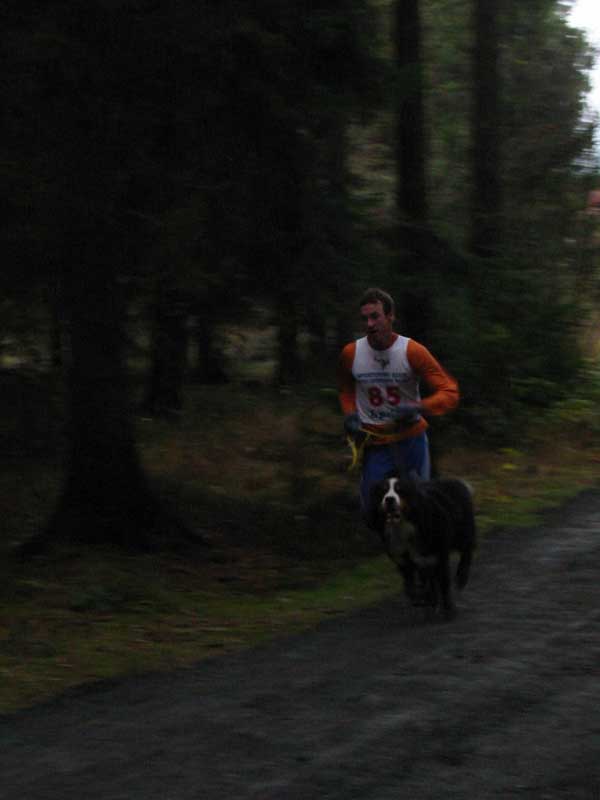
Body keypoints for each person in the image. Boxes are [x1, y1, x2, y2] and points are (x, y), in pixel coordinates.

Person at [338, 287, 459, 528]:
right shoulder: (351, 353)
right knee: (371, 511)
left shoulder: (412, 351)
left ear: (391, 316)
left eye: (375, 317)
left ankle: (428, 546)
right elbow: (346, 389)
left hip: (411, 439)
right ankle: (390, 546)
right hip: (375, 444)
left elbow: (449, 392)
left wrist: (418, 407)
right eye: (364, 319)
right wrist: (350, 414)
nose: (370, 324)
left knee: (420, 507)